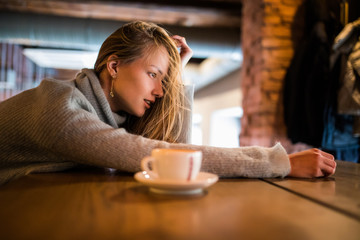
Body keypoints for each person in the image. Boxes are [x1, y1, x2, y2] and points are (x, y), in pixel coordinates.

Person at [0, 21, 336, 185]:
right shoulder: (61, 109)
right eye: (153, 75)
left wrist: (172, 78)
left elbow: (172, 146)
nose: (161, 92)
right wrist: (279, 162)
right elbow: (158, 157)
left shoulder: (107, 114)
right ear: (114, 66)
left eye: (164, 81)